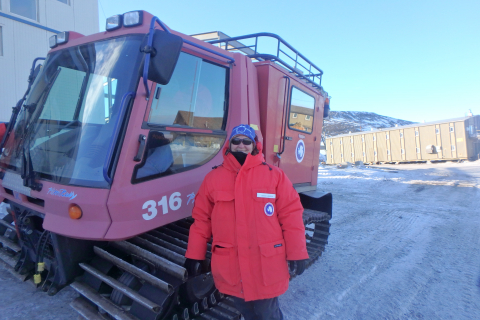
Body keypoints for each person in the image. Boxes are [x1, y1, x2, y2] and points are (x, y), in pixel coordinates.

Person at [185, 124, 308, 320]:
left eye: (246, 141)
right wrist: (195, 254)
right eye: (236, 141)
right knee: (246, 310)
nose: (241, 145)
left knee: (267, 313)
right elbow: (201, 220)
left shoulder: (274, 175)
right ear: (229, 145)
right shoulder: (213, 178)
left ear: (254, 145)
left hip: (265, 265)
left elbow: (291, 216)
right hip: (231, 265)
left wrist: (297, 252)